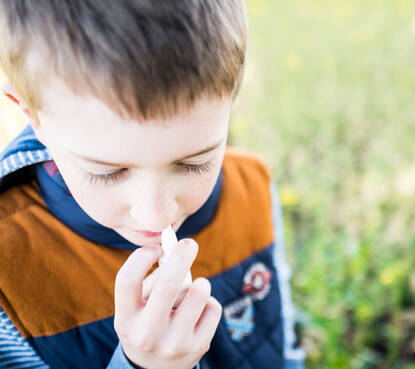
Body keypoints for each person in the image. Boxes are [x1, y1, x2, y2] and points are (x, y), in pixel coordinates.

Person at [0, 1, 305, 368]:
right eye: (108, 172)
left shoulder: (252, 188)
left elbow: (283, 347)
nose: (156, 214)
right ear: (33, 117)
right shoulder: (8, 276)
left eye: (195, 162)